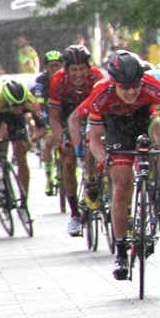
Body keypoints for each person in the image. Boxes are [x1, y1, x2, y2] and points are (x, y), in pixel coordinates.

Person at [74, 51, 160, 280]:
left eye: (135, 85)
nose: (131, 91)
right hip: (117, 125)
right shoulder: (100, 94)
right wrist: (104, 161)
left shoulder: (151, 86)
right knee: (122, 185)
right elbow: (94, 139)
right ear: (114, 83)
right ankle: (121, 251)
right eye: (125, 87)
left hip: (144, 116)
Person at [49, 45, 107, 236]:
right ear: (66, 70)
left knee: (101, 143)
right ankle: (74, 214)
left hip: (93, 110)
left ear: (89, 68)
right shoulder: (58, 81)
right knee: (68, 158)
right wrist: (62, 140)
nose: (79, 73)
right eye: (74, 69)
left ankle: (102, 184)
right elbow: (54, 118)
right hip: (68, 113)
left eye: (82, 68)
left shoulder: (98, 77)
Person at [0, 79, 46, 204]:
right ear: (8, 100)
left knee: (21, 157)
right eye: (15, 105)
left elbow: (44, 128)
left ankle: (24, 202)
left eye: (21, 105)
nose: (19, 108)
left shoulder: (30, 100)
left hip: (15, 119)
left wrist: (31, 140)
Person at [33, 50, 64, 197]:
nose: (54, 69)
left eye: (57, 65)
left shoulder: (66, 78)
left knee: (67, 144)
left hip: (64, 113)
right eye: (51, 66)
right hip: (49, 113)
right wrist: (44, 118)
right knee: (49, 142)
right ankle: (49, 178)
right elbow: (40, 103)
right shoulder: (41, 80)